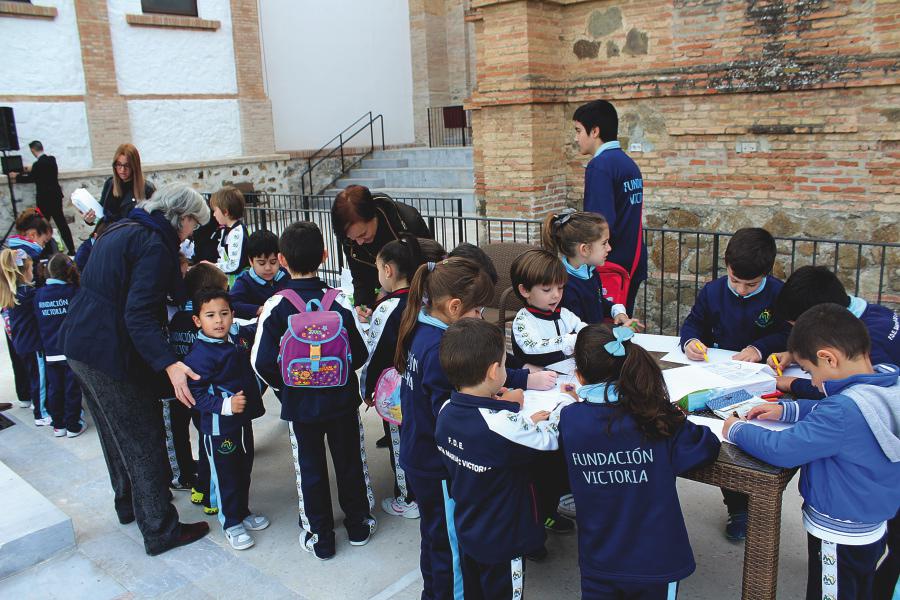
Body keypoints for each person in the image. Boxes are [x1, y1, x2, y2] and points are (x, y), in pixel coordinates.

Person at [61, 183, 211, 556]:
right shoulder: (154, 245)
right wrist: (170, 364)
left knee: (115, 435)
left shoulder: (126, 227)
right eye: (194, 224)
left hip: (80, 342)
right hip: (109, 351)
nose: (192, 233)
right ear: (182, 218)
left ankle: (129, 503)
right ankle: (160, 528)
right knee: (143, 436)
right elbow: (139, 315)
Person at [394, 257, 556, 599]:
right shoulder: (438, 348)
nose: (481, 317)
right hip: (435, 465)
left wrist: (512, 387)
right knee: (449, 548)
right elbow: (458, 417)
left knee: (436, 538)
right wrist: (508, 405)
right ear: (455, 307)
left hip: (420, 455)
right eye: (478, 310)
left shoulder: (423, 328)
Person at [724, 304, 900, 600]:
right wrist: (787, 409)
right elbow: (836, 411)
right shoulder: (887, 381)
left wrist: (736, 429)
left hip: (837, 533)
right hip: (870, 524)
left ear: (828, 358)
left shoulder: (842, 411)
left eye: (810, 371)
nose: (814, 382)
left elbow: (783, 449)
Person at [561, 324, 720, 599]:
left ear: (579, 376)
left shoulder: (570, 418)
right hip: (656, 560)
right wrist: (675, 416)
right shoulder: (655, 416)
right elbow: (705, 447)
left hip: (599, 559)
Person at [252, 221, 375, 560]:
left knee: (309, 468)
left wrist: (288, 387)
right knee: (350, 461)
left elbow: (260, 363)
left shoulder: (276, 305)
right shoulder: (340, 301)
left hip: (300, 406)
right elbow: (360, 353)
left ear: (281, 260)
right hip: (341, 401)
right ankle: (359, 525)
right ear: (324, 255)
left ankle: (320, 537)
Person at [436, 318, 566, 599]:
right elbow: (550, 438)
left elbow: (492, 432)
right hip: (506, 538)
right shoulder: (503, 425)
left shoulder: (445, 411)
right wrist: (562, 409)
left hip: (468, 527)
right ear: (494, 371)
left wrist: (514, 414)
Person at [678, 226, 789, 540]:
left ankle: (756, 498)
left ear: (767, 273)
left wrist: (759, 348)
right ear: (726, 265)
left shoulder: (779, 294)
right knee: (726, 435)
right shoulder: (713, 291)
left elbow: (789, 333)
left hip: (764, 381)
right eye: (735, 279)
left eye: (750, 284)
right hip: (718, 377)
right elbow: (693, 322)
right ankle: (738, 507)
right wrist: (690, 342)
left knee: (754, 434)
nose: (740, 289)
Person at [184, 289, 267, 550]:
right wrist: (225, 405)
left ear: (232, 314)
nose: (219, 320)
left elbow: (255, 329)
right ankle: (231, 523)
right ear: (197, 320)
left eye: (224, 313)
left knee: (243, 469)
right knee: (226, 476)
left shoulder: (235, 337)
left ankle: (242, 512)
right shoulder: (199, 355)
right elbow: (195, 395)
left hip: (242, 424)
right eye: (210, 315)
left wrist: (269, 314)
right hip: (219, 429)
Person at [362, 234, 435, 520]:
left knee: (401, 443)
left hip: (397, 391)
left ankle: (407, 498)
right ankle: (428, 491)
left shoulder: (387, 307)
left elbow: (374, 354)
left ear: (388, 270)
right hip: (427, 383)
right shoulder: (427, 300)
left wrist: (366, 389)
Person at [768, 265, 900, 399]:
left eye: (798, 326)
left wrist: (792, 383)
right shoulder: (872, 312)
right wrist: (797, 356)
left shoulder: (869, 345)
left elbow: (851, 391)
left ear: (821, 314)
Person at [162, 263, 228, 509]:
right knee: (208, 441)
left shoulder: (178, 317)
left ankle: (195, 484)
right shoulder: (207, 324)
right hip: (205, 392)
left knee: (184, 436)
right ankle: (210, 493)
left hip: (179, 389)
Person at [574, 100, 647, 314]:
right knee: (622, 320)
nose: (576, 138)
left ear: (595, 131)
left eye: (578, 130)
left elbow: (598, 223)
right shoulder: (628, 163)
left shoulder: (600, 165)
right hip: (632, 260)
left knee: (602, 326)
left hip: (610, 265)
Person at [331, 185, 432, 319]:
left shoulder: (407, 223)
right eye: (353, 238)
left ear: (373, 216)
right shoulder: (349, 239)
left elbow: (429, 266)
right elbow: (360, 275)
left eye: (363, 234)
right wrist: (362, 304)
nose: (359, 242)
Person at [542, 209, 642, 327]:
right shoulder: (565, 287)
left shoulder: (591, 272)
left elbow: (597, 304)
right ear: (585, 249)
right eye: (604, 243)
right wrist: (617, 331)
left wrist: (617, 313)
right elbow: (581, 332)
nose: (609, 248)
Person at [34, 254, 85, 437]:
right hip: (70, 351)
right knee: (72, 390)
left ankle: (59, 425)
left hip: (50, 351)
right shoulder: (73, 291)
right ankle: (73, 425)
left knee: (55, 389)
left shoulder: (39, 294)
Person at [510, 248, 588, 367]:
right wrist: (568, 341)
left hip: (567, 371)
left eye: (560, 288)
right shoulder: (523, 320)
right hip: (537, 375)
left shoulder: (564, 313)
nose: (556, 295)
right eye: (547, 290)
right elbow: (531, 346)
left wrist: (593, 334)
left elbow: (581, 327)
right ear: (525, 290)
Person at [0, 248, 50, 425]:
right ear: (23, 272)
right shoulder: (27, 294)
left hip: (23, 344)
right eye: (30, 268)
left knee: (35, 377)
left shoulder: (12, 293)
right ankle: (41, 414)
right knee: (41, 379)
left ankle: (39, 406)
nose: (33, 272)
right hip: (33, 344)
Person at [8, 141, 75, 254]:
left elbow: (31, 177)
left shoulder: (37, 165)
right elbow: (40, 169)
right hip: (55, 197)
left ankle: (46, 250)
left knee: (42, 226)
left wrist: (17, 176)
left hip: (44, 200)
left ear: (33, 150)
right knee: (61, 224)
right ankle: (71, 249)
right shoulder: (52, 160)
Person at [82, 143, 154, 225]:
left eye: (127, 165)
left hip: (131, 232)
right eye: (119, 164)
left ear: (135, 166)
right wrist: (90, 220)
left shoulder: (147, 189)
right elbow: (101, 215)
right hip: (108, 231)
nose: (122, 170)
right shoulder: (110, 184)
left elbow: (154, 221)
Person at [229, 229, 287, 319]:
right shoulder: (245, 281)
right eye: (261, 263)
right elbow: (231, 304)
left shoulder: (286, 275)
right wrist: (259, 310)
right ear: (251, 261)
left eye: (273, 262)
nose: (268, 268)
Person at [210, 186, 249, 284]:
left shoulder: (237, 232)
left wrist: (212, 267)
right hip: (230, 281)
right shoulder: (226, 229)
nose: (214, 214)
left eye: (215, 210)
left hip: (239, 283)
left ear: (225, 212)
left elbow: (234, 265)